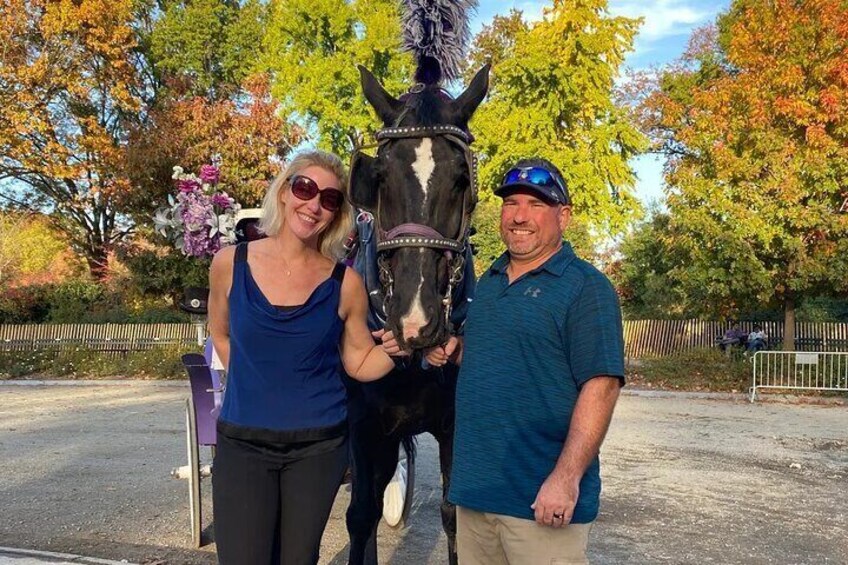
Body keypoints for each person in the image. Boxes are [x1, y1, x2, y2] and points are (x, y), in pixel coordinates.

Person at [425, 158, 625, 564]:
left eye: (536, 205)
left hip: (541, 502)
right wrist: (454, 348)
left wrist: (566, 479)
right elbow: (499, 353)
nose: (519, 216)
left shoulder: (586, 287)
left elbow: (601, 386)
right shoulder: (491, 281)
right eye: (511, 203)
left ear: (563, 216)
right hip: (476, 496)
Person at [207, 149, 396, 564]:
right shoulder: (229, 264)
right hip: (243, 445)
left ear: (337, 214)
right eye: (305, 188)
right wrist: (256, 381)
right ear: (284, 192)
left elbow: (361, 361)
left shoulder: (345, 283)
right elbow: (219, 332)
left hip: (317, 449)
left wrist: (400, 349)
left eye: (329, 199)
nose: (314, 205)